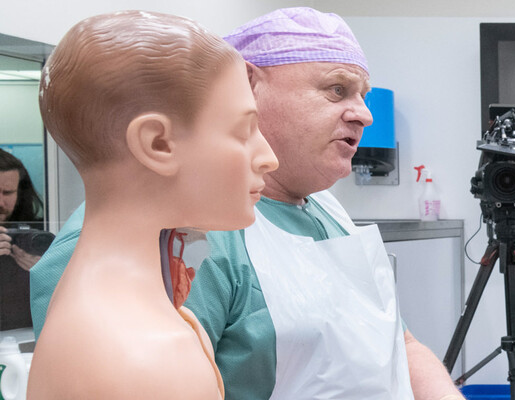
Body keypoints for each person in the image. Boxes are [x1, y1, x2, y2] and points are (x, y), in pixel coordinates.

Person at [27, 7, 463, 400]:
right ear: (250, 85)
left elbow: (397, 344)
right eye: (337, 89)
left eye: (362, 96)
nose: (364, 114)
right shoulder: (163, 236)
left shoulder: (328, 210)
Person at [27, 11, 278, 398]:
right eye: (243, 130)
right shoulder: (148, 354)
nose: (268, 159)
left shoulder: (106, 313)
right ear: (158, 144)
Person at [0, 149, 43, 330]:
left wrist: (45, 271)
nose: (1, 203)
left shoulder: (37, 235)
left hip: (26, 339)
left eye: (8, 192)